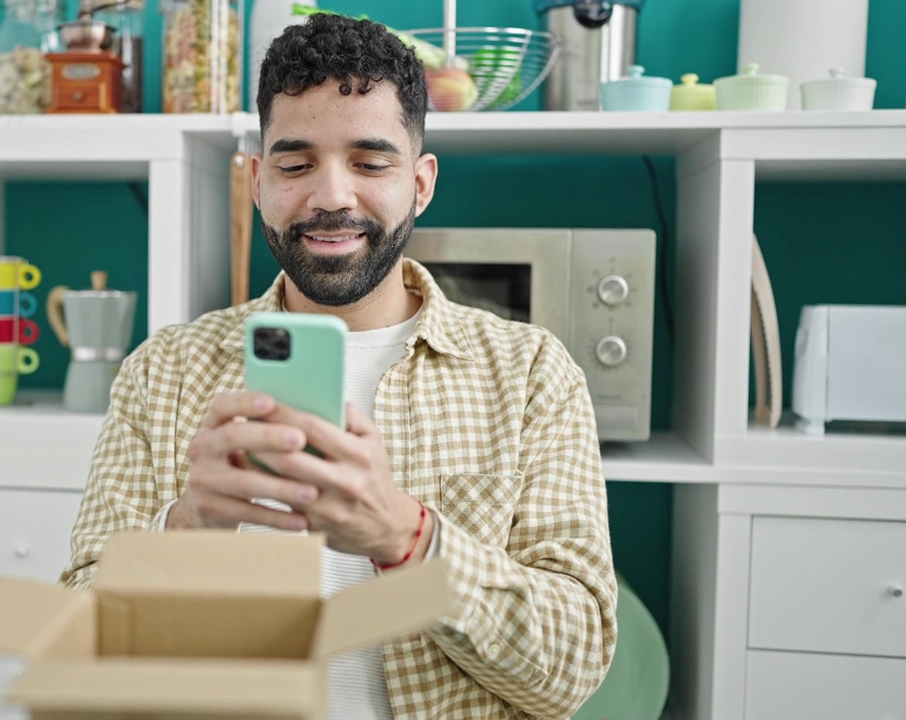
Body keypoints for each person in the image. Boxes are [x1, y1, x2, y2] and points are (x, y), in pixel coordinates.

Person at [60, 12, 617, 719]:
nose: (331, 197)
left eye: (370, 162)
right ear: (259, 181)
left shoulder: (533, 374)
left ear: (420, 183)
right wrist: (186, 530)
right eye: (295, 165)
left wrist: (406, 537)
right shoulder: (162, 372)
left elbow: (575, 664)